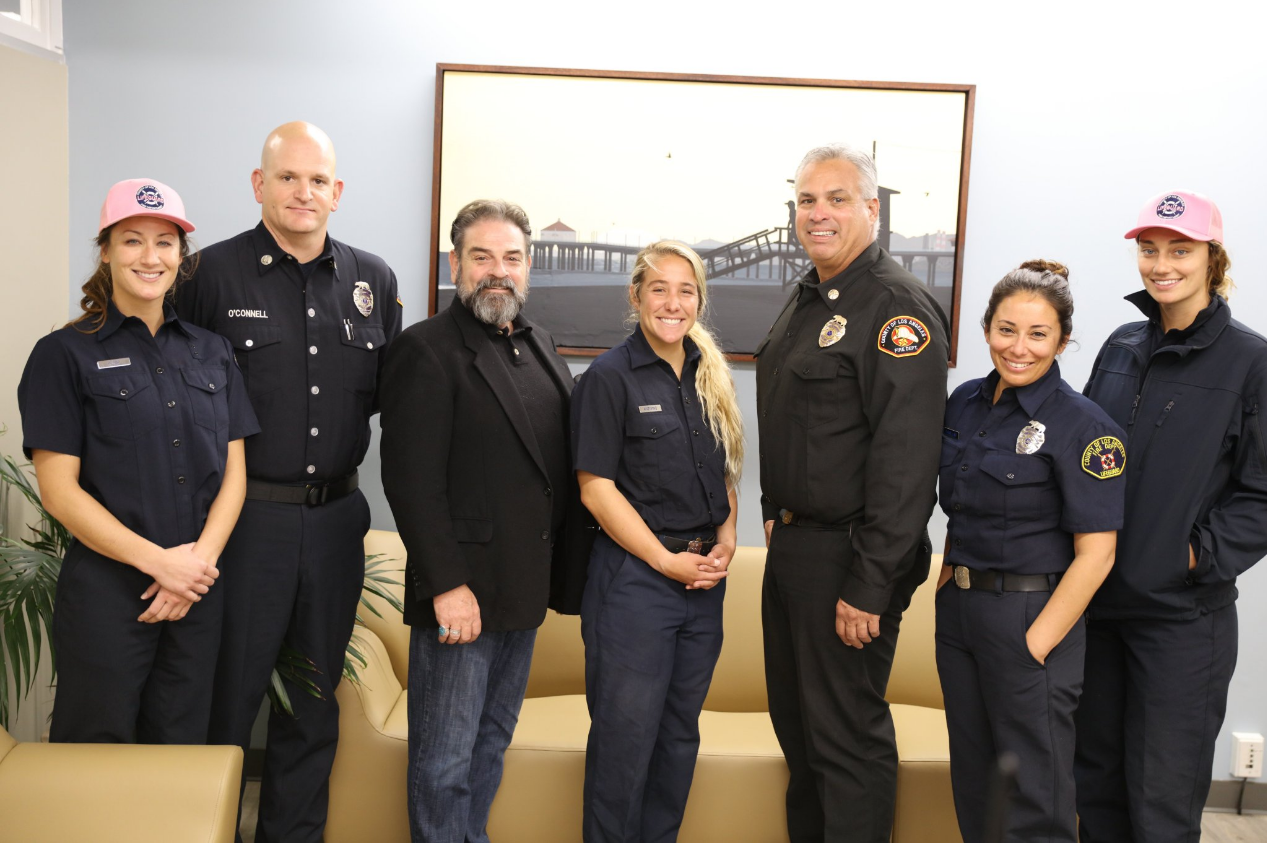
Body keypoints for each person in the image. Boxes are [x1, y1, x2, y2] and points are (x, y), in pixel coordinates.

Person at [175, 122, 402, 842]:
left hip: (336, 524)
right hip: (244, 527)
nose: (303, 192)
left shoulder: (374, 281)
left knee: (311, 707)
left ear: (336, 191)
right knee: (228, 701)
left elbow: (390, 402)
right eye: (287, 177)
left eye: (317, 180)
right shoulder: (207, 275)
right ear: (258, 184)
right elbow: (172, 401)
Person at [756, 143, 949, 842]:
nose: (818, 213)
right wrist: (771, 517)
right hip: (796, 550)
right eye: (807, 200)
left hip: (848, 561)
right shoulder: (808, 295)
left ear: (871, 209)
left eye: (836, 199)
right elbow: (791, 419)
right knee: (802, 741)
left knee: (844, 744)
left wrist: (869, 582)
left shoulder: (895, 308)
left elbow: (905, 462)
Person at [18, 178, 256, 744]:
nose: (150, 257)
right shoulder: (63, 354)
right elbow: (59, 492)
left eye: (165, 242)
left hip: (197, 589)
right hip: (107, 593)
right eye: (131, 240)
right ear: (105, 249)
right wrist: (159, 564)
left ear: (181, 256)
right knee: (95, 755)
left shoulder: (213, 352)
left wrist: (192, 569)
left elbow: (234, 475)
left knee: (181, 750)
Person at [379, 199, 588, 843]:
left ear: (528, 267)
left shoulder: (540, 343)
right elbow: (409, 481)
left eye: (511, 258)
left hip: (522, 588)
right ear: (455, 264)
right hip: (462, 591)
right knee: (443, 760)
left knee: (490, 744)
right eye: (482, 257)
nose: (498, 272)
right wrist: (447, 584)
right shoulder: (426, 350)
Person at [1076, 191, 1267, 843]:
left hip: (1181, 623)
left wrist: (1189, 557)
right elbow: (1085, 460)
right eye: (1149, 248)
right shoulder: (1119, 345)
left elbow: (1261, 494)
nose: (1160, 264)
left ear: (1211, 258)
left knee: (1159, 805)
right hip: (1098, 611)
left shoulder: (1251, 361)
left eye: (1178, 249)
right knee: (1094, 789)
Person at [935, 260, 1124, 843]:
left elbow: (1098, 554)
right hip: (961, 617)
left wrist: (1035, 644)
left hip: (1031, 617)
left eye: (1038, 334)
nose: (1019, 348)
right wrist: (947, 576)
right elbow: (961, 502)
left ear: (1063, 340)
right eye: (1006, 330)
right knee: (974, 780)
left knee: (1034, 796)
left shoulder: (1086, 426)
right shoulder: (964, 402)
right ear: (986, 329)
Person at [570, 241, 744, 842]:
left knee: (677, 738)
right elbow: (596, 488)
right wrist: (665, 561)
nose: (673, 303)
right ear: (636, 296)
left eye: (686, 290)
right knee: (625, 745)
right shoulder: (608, 378)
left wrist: (726, 534)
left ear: (700, 298)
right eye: (660, 289)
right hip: (637, 584)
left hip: (702, 585)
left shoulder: (708, 372)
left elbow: (723, 468)